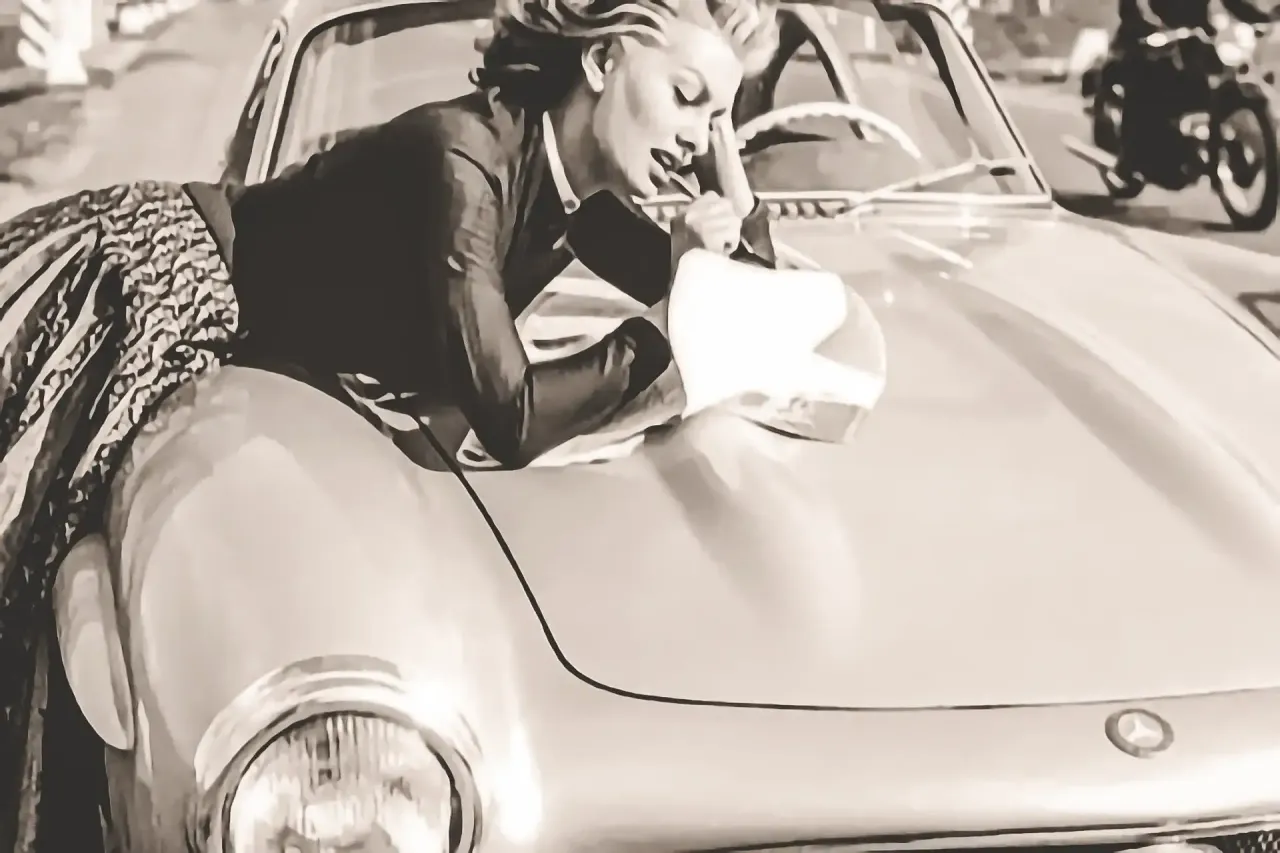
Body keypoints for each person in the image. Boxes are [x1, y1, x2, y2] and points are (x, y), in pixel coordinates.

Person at [0, 0, 781, 846]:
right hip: (160, 285)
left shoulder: (576, 198)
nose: (699, 136)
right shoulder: (461, 160)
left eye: (721, 117)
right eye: (687, 97)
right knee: (33, 552)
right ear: (600, 62)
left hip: (237, 331)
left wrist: (732, 193)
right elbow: (511, 413)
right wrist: (666, 320)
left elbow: (755, 306)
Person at [1112, 0, 1273, 177]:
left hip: (1200, 45)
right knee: (1145, 85)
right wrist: (1155, 30)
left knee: (1227, 87)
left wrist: (1266, 19)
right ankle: (1128, 156)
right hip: (1160, 44)